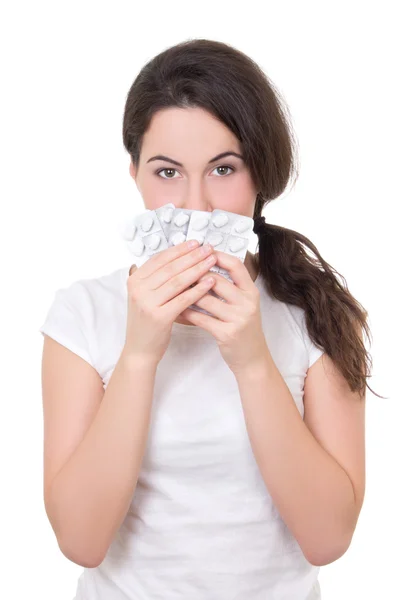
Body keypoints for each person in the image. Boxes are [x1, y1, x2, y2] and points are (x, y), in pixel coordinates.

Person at [39, 38, 382, 600]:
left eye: (224, 169)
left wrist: (251, 361)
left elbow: (328, 540)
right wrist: (140, 354)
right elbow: (80, 542)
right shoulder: (82, 315)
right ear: (134, 175)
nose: (196, 205)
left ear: (261, 177)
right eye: (167, 171)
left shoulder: (314, 313)